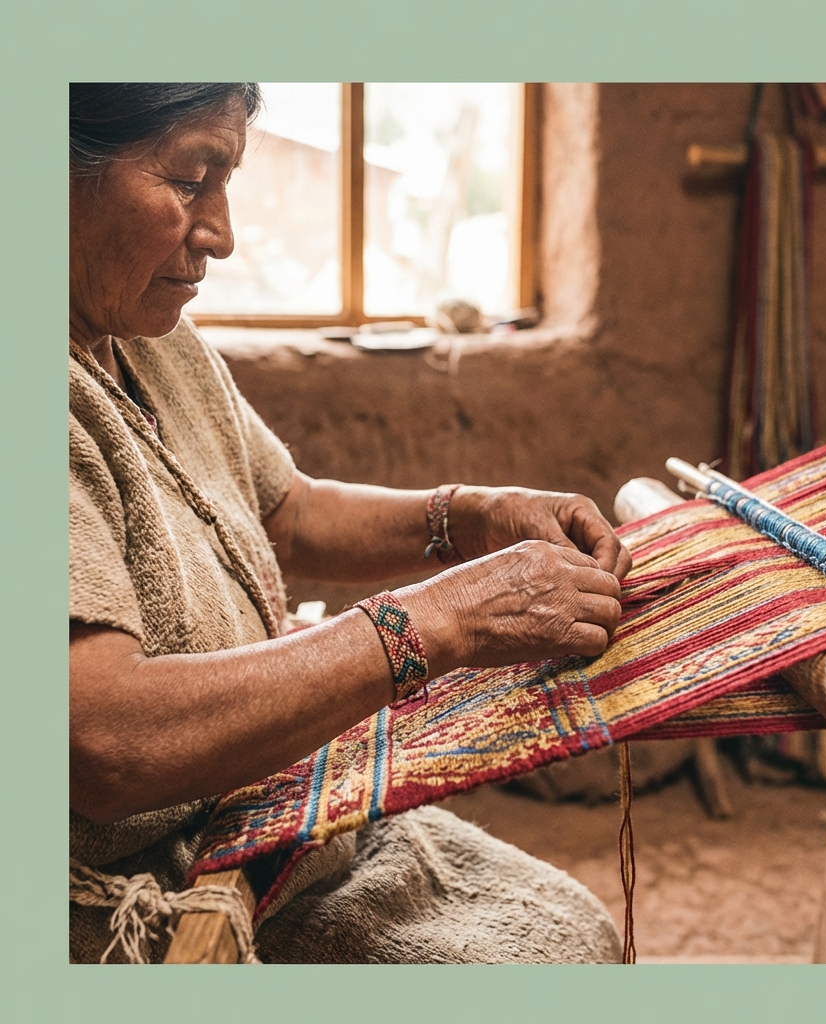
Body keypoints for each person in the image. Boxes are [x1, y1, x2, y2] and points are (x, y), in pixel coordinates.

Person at [69, 83, 630, 963]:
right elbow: (103, 741)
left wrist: (469, 516)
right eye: (189, 178)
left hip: (266, 813)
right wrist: (440, 621)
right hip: (135, 897)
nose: (221, 231)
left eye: (226, 182)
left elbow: (284, 510)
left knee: (573, 929)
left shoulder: (150, 339)